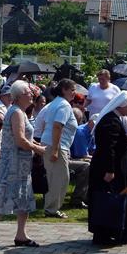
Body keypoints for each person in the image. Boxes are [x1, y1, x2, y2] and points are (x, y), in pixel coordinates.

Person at [0, 80, 46, 248]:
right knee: (5, 199)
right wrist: (39, 149)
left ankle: (21, 235)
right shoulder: (17, 113)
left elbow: (24, 138)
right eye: (29, 93)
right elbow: (20, 140)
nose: (32, 95)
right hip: (13, 165)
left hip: (20, 165)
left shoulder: (19, 111)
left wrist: (36, 145)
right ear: (20, 96)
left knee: (24, 200)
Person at [88, 90, 127, 245]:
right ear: (123, 105)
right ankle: (104, 234)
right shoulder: (111, 121)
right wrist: (109, 170)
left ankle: (116, 232)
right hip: (109, 169)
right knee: (107, 199)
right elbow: (107, 148)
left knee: (114, 199)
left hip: (116, 167)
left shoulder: (116, 119)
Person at [40, 78, 78, 218]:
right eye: (72, 90)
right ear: (64, 90)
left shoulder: (55, 103)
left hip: (52, 143)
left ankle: (51, 207)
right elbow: (57, 126)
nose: (74, 93)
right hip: (56, 145)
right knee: (60, 178)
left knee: (56, 177)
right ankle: (51, 209)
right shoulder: (64, 105)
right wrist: (55, 149)